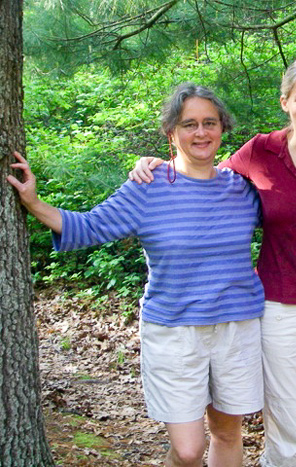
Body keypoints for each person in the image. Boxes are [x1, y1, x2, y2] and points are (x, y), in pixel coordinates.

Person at [128, 58, 296, 467]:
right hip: (279, 303)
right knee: (286, 416)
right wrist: (158, 166)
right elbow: (204, 180)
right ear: (285, 102)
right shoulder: (261, 151)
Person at [7, 83, 265, 467]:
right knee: (189, 449)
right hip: (175, 332)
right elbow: (90, 226)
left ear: (222, 129)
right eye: (189, 124)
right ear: (171, 133)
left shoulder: (242, 189)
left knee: (228, 432)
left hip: (237, 328)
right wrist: (32, 202)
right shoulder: (147, 187)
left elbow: (295, 213)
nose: (201, 133)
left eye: (210, 123)